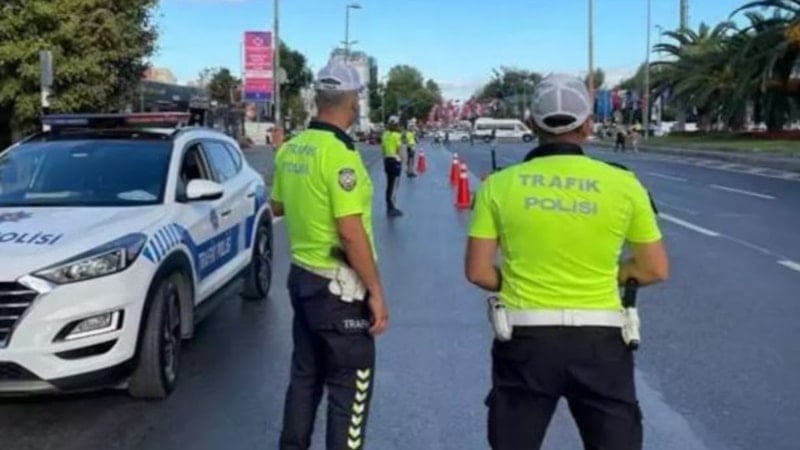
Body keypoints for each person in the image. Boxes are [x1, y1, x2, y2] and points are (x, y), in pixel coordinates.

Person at [465, 73, 669, 450]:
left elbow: (477, 271)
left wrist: (520, 278)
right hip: (601, 343)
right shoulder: (625, 184)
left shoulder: (499, 184)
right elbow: (654, 268)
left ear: (531, 125)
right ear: (588, 125)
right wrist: (610, 275)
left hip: (526, 340)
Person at [271, 60, 390, 450]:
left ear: (317, 100)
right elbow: (351, 232)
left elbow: (277, 207)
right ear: (352, 101)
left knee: (305, 378)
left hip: (302, 278)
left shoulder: (291, 150)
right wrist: (375, 291)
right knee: (348, 391)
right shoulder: (339, 155)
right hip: (339, 291)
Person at [381, 115, 404, 217]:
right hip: (395, 160)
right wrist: (403, 161)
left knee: (388, 185)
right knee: (394, 185)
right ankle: (392, 208)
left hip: (387, 160)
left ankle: (388, 206)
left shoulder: (385, 135)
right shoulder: (396, 135)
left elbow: (382, 149)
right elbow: (399, 150)